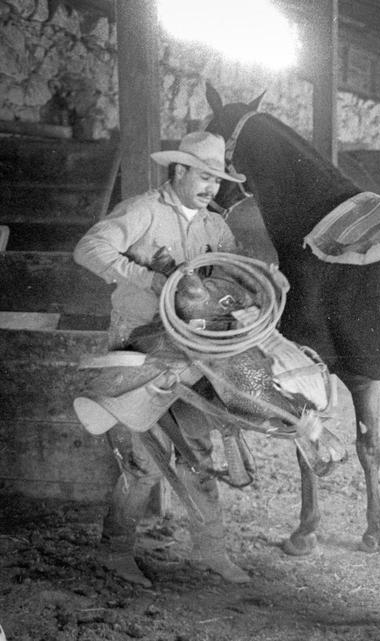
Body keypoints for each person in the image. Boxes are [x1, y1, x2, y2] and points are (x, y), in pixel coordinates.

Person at [73, 131, 251, 587]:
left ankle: (211, 550)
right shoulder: (142, 211)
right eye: (204, 176)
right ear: (178, 171)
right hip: (140, 348)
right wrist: (147, 280)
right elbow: (89, 248)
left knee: (198, 450)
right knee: (146, 460)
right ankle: (113, 552)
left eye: (217, 179)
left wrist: (253, 290)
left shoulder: (216, 227)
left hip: (195, 350)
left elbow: (235, 277)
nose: (212, 187)